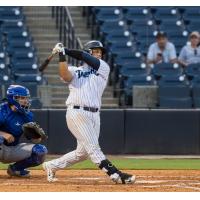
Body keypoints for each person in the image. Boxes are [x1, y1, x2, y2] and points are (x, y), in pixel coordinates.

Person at [42, 40, 135, 184]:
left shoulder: (103, 67)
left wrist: (64, 49)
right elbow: (65, 75)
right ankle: (115, 174)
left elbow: (82, 56)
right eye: (95, 51)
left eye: (100, 51)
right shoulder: (75, 70)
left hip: (94, 114)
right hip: (77, 112)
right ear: (88, 51)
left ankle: (51, 165)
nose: (99, 53)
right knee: (93, 148)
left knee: (82, 153)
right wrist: (61, 56)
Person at [0, 85, 47, 177]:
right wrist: (3, 134)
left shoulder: (28, 115)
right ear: (13, 98)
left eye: (26, 98)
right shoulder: (2, 110)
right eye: (22, 98)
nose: (25, 101)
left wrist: (37, 136)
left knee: (40, 151)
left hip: (12, 149)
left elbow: (35, 141)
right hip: (1, 147)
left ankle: (16, 169)